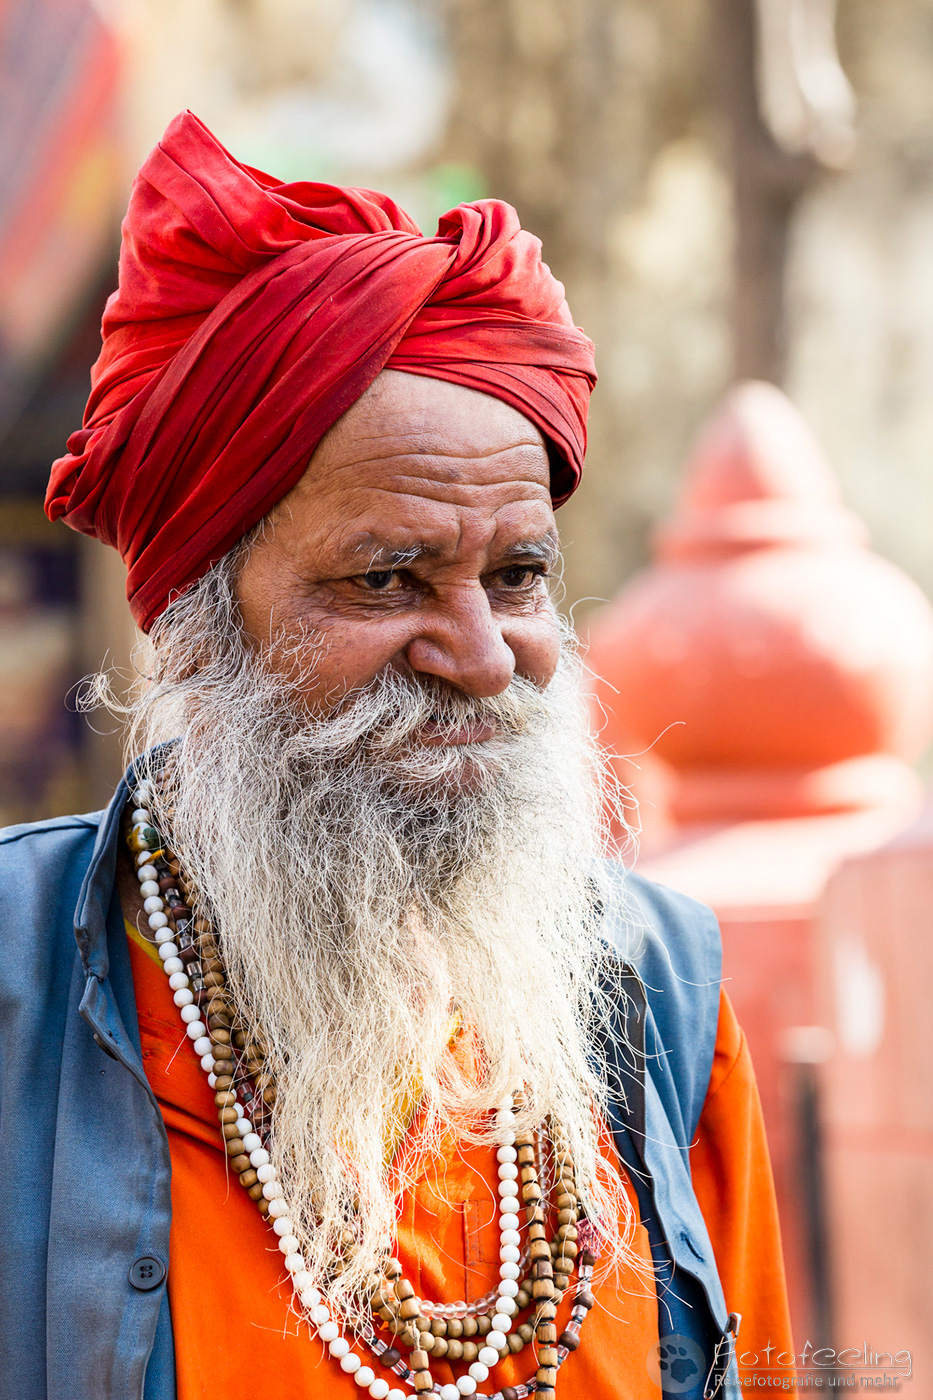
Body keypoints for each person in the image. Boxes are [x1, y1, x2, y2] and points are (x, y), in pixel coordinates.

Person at [1, 112, 792, 1400]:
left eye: (519, 575)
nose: (483, 656)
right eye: (388, 579)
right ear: (201, 629)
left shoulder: (662, 1003)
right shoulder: (20, 994)